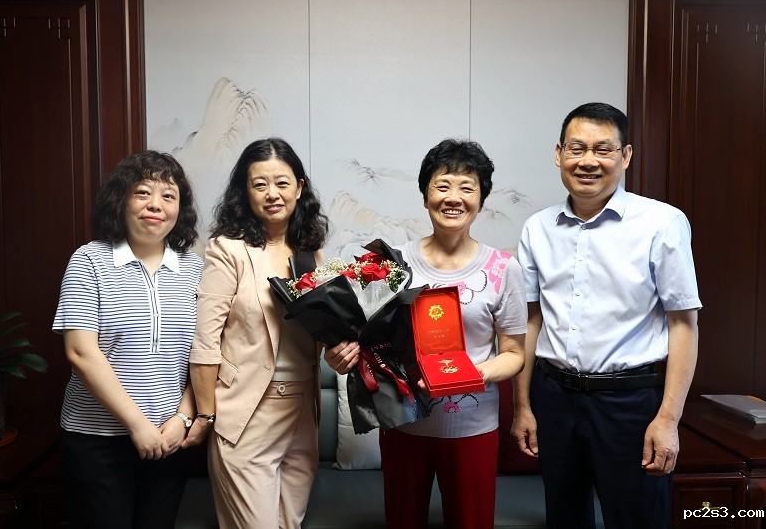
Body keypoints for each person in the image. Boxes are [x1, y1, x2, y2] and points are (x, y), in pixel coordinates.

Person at [511, 102, 702, 528]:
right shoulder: (537, 228)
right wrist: (522, 405)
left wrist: (668, 419)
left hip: (629, 403)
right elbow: (530, 320)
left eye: (603, 149)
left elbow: (683, 325)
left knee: (637, 519)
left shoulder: (662, 223)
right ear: (559, 154)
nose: (588, 161)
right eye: (577, 148)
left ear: (625, 156)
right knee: (564, 518)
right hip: (553, 397)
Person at [326, 139, 527, 529]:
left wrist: (475, 374)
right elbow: (366, 340)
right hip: (404, 422)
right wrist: (341, 354)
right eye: (442, 185)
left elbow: (515, 353)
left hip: (473, 427)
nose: (453, 198)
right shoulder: (391, 264)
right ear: (425, 196)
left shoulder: (504, 268)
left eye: (467, 187)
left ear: (481, 200)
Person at [53, 151, 203, 528]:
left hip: (170, 438)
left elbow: (205, 353)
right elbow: (80, 351)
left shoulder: (195, 268)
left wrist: (183, 418)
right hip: (97, 440)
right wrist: (137, 425)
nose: (155, 204)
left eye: (168, 195)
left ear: (180, 209)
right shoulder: (89, 260)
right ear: (121, 200)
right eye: (142, 192)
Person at [184, 137, 329, 529]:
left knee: (289, 524)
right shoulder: (227, 250)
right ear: (245, 191)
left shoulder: (310, 252)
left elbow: (321, 328)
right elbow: (205, 340)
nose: (272, 194)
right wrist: (205, 413)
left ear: (299, 188)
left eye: (282, 183)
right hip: (247, 410)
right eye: (259, 184)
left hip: (302, 412)